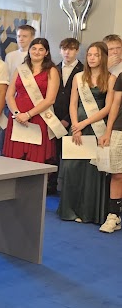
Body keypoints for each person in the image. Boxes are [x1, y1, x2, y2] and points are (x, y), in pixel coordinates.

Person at [57, 42, 115, 225]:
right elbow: (73, 103)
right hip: (77, 129)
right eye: (89, 54)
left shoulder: (111, 78)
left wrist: (84, 123)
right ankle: (70, 210)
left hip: (96, 127)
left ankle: (88, 212)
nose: (91, 58)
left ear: (103, 57)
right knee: (71, 168)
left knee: (92, 171)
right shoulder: (79, 77)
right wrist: (76, 126)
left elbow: (108, 107)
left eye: (96, 55)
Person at [3, 37, 60, 163]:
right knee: (15, 159)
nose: (37, 52)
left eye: (41, 49)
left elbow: (50, 100)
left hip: (39, 117)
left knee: (35, 158)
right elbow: (9, 95)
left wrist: (28, 115)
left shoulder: (52, 71)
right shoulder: (20, 69)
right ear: (29, 50)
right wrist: (17, 114)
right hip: (17, 117)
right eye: (34, 48)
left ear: (46, 52)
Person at [52, 38, 83, 191]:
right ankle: (51, 185)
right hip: (53, 117)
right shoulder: (54, 69)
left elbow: (81, 100)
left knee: (70, 155)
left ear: (77, 51)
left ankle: (68, 189)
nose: (67, 52)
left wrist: (67, 119)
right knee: (53, 153)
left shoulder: (83, 70)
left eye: (71, 49)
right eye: (64, 49)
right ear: (60, 51)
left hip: (73, 119)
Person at [97, 70, 122, 233]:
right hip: (120, 129)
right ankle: (114, 216)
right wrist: (108, 131)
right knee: (117, 173)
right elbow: (116, 104)